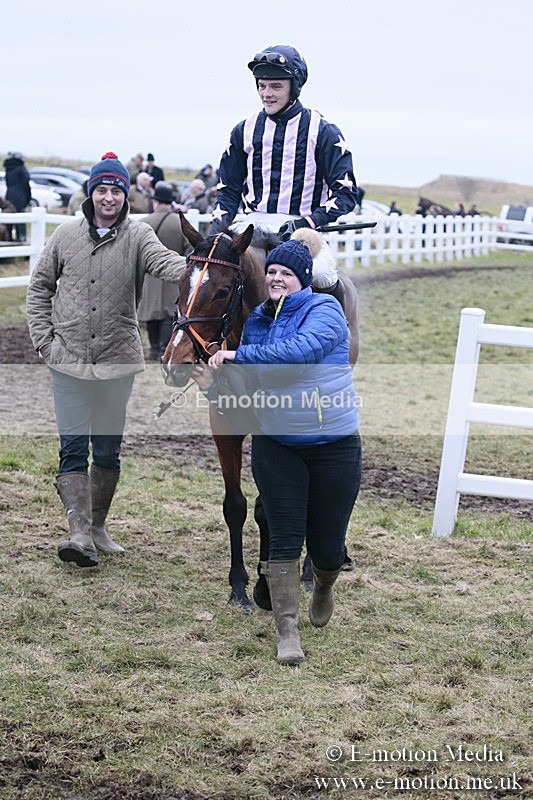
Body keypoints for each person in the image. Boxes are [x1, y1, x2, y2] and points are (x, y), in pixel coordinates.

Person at [194, 229, 361, 665]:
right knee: (284, 537)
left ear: (303, 279)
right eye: (271, 272)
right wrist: (219, 383)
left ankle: (324, 582)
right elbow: (251, 386)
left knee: (327, 546)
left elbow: (298, 353)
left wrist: (237, 358)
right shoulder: (257, 322)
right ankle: (287, 630)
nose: (276, 278)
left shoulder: (326, 311)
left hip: (334, 444)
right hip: (278, 443)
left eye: (286, 272)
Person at [26, 152, 188, 569]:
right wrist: (46, 343)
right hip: (69, 359)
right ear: (90, 193)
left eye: (116, 189)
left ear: (125, 194)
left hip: (118, 359)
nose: (109, 197)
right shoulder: (64, 235)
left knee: (109, 449)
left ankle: (97, 528)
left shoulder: (138, 237)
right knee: (73, 446)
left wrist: (201, 264)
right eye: (102, 189)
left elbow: (165, 263)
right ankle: (78, 532)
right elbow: (39, 288)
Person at [209, 44, 359, 308]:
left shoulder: (323, 131)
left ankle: (336, 334)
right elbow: (228, 189)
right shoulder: (243, 131)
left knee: (323, 276)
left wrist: (307, 222)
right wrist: (216, 230)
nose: (266, 94)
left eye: (275, 86)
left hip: (302, 230)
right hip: (251, 226)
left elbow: (345, 194)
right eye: (262, 86)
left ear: (294, 86)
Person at [137, 182, 192, 359]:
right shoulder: (180, 223)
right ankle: (164, 348)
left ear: (155, 202)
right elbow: (191, 250)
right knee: (170, 314)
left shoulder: (143, 223)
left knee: (151, 313)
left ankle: (153, 349)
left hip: (149, 276)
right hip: (173, 276)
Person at [3, 151, 32, 242]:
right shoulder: (21, 169)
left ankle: (9, 238)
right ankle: (21, 238)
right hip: (20, 197)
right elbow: (26, 184)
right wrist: (28, 198)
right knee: (21, 218)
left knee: (9, 218)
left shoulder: (8, 169)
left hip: (9, 195)